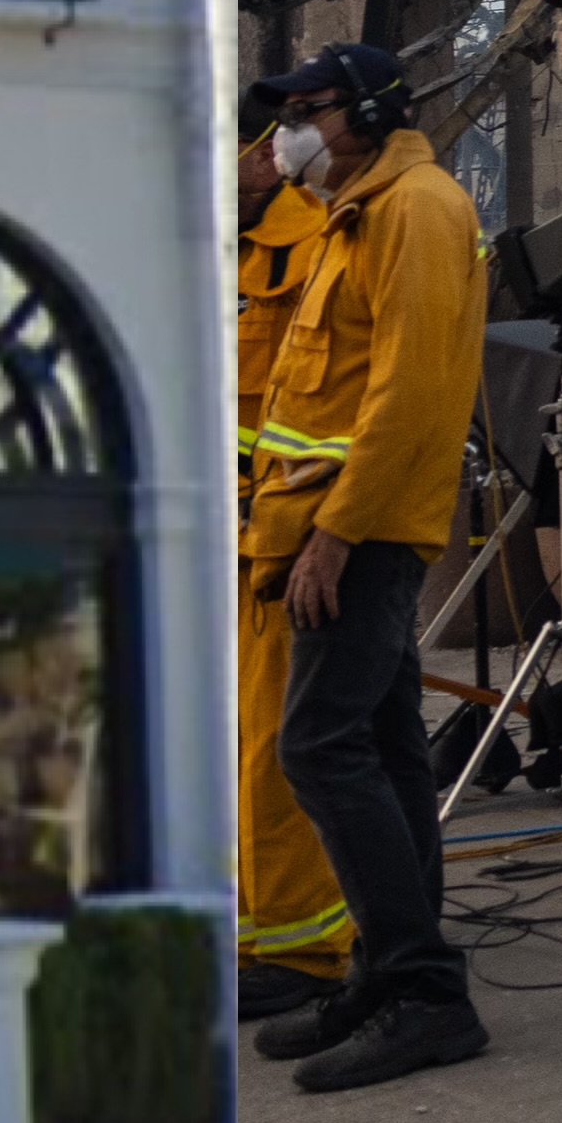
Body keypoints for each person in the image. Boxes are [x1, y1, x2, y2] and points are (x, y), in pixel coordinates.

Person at [252, 41, 499, 1095]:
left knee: (319, 747)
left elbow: (410, 394)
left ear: (367, 113)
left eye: (306, 112)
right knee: (389, 747)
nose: (287, 136)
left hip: (361, 532)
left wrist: (337, 534)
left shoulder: (417, 211)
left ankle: (425, 994)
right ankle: (389, 972)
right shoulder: (357, 212)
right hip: (336, 525)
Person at [227, 113, 363, 1027]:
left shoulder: (318, 243)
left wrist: (321, 534)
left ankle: (305, 948)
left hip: (279, 540)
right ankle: (250, 928)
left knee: (279, 747)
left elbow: (330, 407)